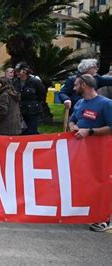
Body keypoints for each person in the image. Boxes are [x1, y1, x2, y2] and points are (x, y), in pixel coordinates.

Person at [67, 74, 112, 232]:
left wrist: (90, 131)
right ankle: (89, 212)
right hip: (82, 152)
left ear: (84, 85)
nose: (73, 88)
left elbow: (111, 127)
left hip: (101, 153)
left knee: (103, 183)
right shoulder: (79, 103)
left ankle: (105, 218)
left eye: (76, 84)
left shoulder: (106, 104)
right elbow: (72, 120)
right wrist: (73, 126)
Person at [12, 62, 46, 135]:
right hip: (20, 110)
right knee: (20, 131)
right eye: (16, 71)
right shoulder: (15, 82)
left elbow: (42, 94)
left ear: (25, 71)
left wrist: (35, 103)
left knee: (32, 131)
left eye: (19, 71)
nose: (17, 73)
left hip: (32, 111)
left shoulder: (35, 82)